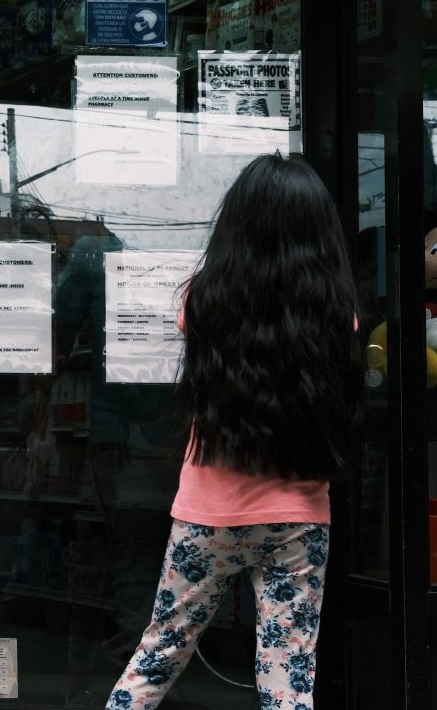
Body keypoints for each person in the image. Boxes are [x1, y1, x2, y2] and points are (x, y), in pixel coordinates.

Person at [105, 153, 363, 710]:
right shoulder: (336, 314)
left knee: (161, 650)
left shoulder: (203, 300)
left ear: (237, 224)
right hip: (299, 517)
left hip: (208, 512)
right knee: (289, 674)